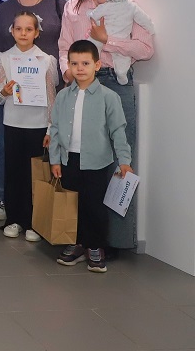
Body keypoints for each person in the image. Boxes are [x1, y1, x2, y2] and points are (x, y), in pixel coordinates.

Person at [58, 0, 153, 252]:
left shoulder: (128, 5)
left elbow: (146, 49)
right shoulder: (73, 6)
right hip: (81, 85)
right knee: (80, 161)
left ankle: (113, 241)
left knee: (119, 161)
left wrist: (107, 41)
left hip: (116, 82)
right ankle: (82, 238)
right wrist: (67, 72)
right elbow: (64, 47)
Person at [0, 0, 66, 223]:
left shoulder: (58, 6)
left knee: (38, 163)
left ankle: (36, 218)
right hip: (13, 110)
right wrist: (0, 88)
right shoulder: (4, 11)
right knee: (10, 159)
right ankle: (10, 209)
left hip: (42, 110)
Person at [50, 40, 132, 273]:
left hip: (96, 161)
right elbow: (55, 128)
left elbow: (118, 130)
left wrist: (124, 161)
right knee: (73, 204)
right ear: (68, 65)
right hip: (69, 159)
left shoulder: (109, 97)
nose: (80, 68)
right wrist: (55, 159)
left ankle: (95, 246)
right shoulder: (63, 96)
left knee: (94, 205)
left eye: (85, 63)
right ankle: (77, 244)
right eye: (74, 63)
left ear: (97, 65)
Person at [0, 11, 58, 242]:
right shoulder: (4, 58)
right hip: (12, 123)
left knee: (35, 176)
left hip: (38, 125)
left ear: (37, 33)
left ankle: (33, 223)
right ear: (12, 31)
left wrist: (49, 128)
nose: (23, 33)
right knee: (13, 173)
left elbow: (51, 97)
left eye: (29, 29)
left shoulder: (46, 60)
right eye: (19, 29)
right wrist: (3, 91)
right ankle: (14, 219)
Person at [86, 0, 155, 85]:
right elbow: (144, 19)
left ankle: (120, 73)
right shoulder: (131, 6)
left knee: (95, 46)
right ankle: (120, 72)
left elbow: (93, 15)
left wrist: (106, 39)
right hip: (120, 38)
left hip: (114, 41)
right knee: (120, 57)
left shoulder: (106, 6)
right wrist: (150, 27)